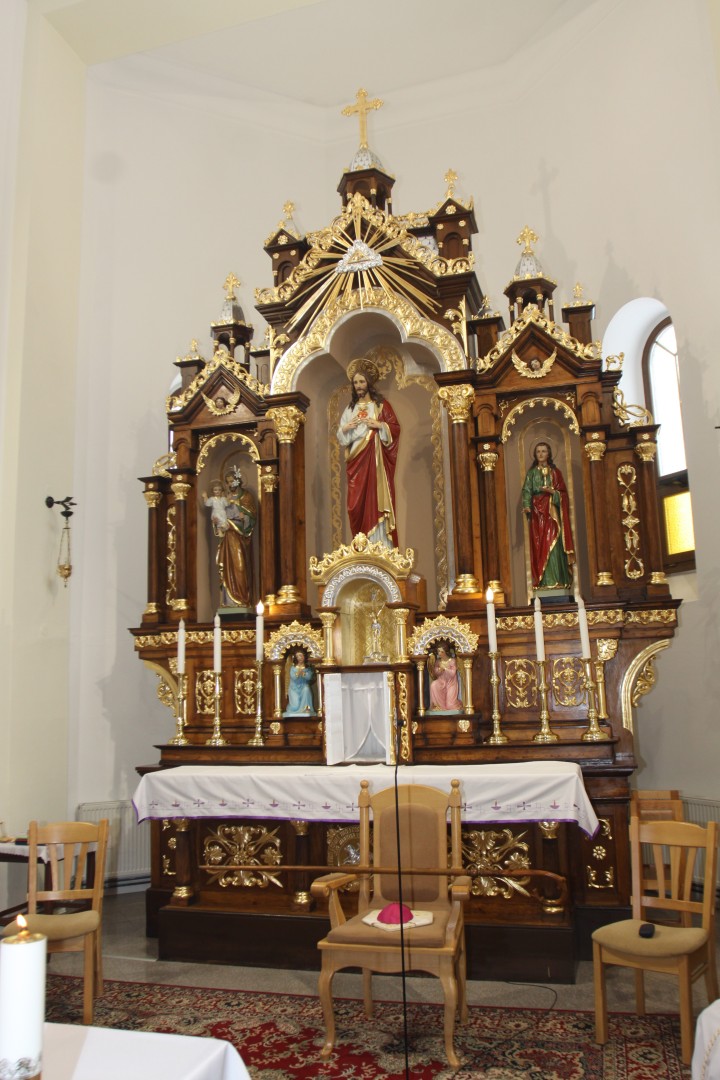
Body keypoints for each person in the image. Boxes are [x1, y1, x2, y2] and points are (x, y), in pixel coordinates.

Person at [336, 358, 400, 548]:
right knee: (355, 505)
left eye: (362, 381)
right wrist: (346, 428)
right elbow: (342, 438)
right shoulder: (350, 409)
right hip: (355, 462)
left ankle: (380, 545)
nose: (358, 386)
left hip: (375, 461)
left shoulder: (381, 406)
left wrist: (379, 425)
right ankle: (360, 544)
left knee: (374, 498)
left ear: (368, 383)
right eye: (355, 382)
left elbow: (395, 429)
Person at [521, 441, 575, 590]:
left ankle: (558, 580)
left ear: (549, 454)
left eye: (543, 451)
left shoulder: (555, 473)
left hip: (551, 511)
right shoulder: (531, 473)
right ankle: (543, 581)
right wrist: (527, 506)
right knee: (540, 544)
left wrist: (552, 492)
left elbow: (563, 494)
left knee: (554, 543)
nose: (540, 454)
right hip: (537, 513)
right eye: (538, 451)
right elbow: (526, 490)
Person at [205, 467, 256, 608]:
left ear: (238, 481)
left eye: (232, 481)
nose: (230, 484)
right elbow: (218, 515)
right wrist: (216, 522)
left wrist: (243, 517)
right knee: (227, 566)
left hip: (240, 537)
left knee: (240, 567)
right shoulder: (224, 498)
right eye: (227, 482)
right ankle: (228, 601)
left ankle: (243, 599)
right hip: (227, 538)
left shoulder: (246, 496)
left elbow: (252, 516)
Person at [428, 643, 463, 712]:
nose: (439, 653)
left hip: (451, 683)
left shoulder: (452, 661)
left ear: (446, 652)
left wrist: (445, 669)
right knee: (434, 685)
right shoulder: (438, 661)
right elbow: (435, 673)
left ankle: (459, 705)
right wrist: (439, 670)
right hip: (441, 681)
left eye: (442, 652)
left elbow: (452, 673)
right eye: (438, 651)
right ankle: (438, 706)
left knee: (450, 705)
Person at [284, 649, 315, 715]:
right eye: (297, 656)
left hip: (304, 686)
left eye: (300, 656)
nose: (299, 658)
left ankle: (306, 708)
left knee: (306, 689)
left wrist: (303, 674)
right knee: (295, 706)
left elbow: (309, 677)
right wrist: (298, 673)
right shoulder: (293, 668)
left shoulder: (308, 668)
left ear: (304, 657)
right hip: (294, 688)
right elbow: (293, 677)